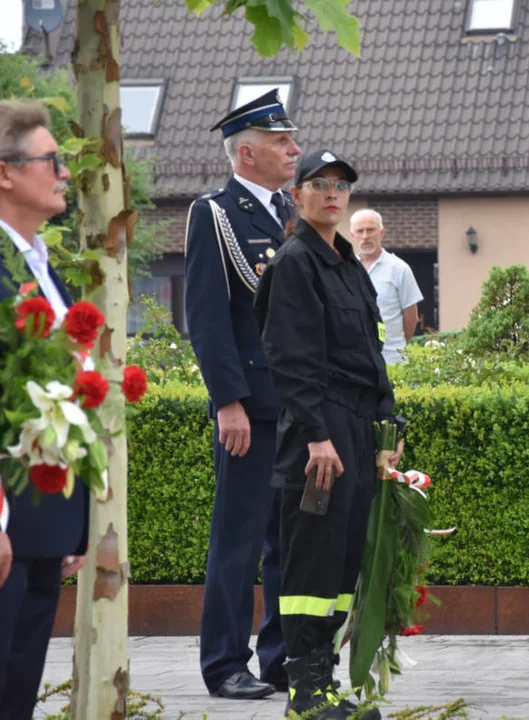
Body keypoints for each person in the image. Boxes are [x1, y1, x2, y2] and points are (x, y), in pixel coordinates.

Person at [255, 150, 405, 719]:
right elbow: (289, 359)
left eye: (341, 185)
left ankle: (326, 684)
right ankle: (305, 693)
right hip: (319, 433)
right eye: (319, 184)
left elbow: (373, 353)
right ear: (298, 196)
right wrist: (318, 436)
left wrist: (389, 426)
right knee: (311, 566)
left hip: (359, 428)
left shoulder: (346, 262)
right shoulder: (295, 262)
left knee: (342, 566)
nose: (332, 193)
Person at [0, 99, 87, 719]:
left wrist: (75, 516)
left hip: (42, 519)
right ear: (4, 172)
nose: (63, 174)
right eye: (52, 160)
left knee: (14, 693)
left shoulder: (43, 267)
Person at [183, 89, 300, 699]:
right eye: (283, 142)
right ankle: (225, 663)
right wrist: (227, 401)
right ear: (247, 152)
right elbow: (205, 317)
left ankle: (278, 657)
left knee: (287, 540)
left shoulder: (293, 212)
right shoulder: (216, 213)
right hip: (250, 409)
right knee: (238, 539)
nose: (295, 150)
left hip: (297, 406)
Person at [351, 208, 423, 363]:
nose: (365, 236)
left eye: (370, 230)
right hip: (356, 362)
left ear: (382, 233)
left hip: (392, 360)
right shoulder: (346, 269)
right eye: (360, 231)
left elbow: (411, 318)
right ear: (352, 236)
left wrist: (395, 345)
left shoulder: (399, 269)